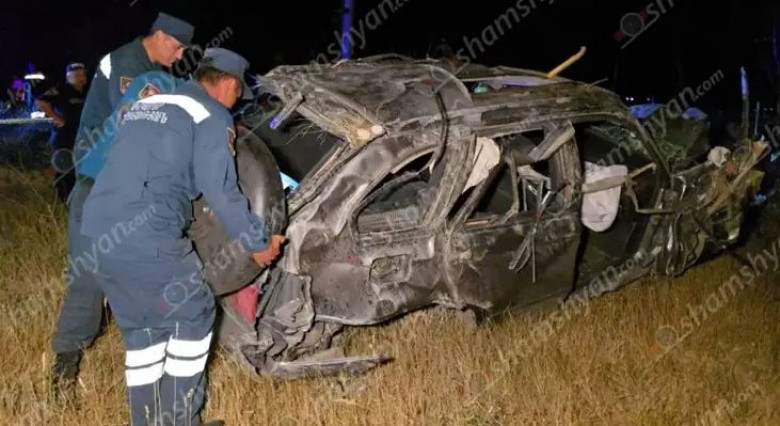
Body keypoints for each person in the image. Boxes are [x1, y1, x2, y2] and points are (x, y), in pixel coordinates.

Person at [81, 47, 286, 426]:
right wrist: (258, 244)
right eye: (238, 92)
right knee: (193, 312)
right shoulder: (210, 115)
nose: (236, 101)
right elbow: (221, 191)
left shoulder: (148, 105)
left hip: (96, 228)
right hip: (146, 232)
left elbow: (102, 162)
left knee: (143, 332)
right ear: (227, 83)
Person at [50, 11, 195, 398]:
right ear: (160, 36)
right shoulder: (130, 67)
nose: (181, 54)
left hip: (115, 186)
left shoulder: (145, 68)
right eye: (178, 46)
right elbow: (143, 122)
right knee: (89, 282)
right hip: (101, 187)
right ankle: (63, 376)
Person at [36, 63, 88, 202]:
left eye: (83, 74)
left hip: (80, 137)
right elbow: (41, 102)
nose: (82, 78)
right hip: (63, 138)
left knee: (78, 169)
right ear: (69, 76)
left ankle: (76, 200)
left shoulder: (85, 92)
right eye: (78, 75)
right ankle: (63, 201)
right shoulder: (61, 90)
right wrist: (55, 117)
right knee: (64, 171)